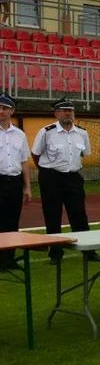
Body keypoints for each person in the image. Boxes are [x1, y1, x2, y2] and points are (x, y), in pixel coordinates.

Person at [32, 99, 100, 264]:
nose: (67, 113)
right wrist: (46, 171)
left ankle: (89, 251)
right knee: (52, 215)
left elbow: (83, 154)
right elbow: (36, 155)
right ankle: (55, 253)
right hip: (51, 177)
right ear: (56, 114)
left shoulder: (82, 133)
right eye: (63, 110)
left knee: (79, 215)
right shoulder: (46, 132)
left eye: (70, 110)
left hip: (73, 177)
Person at [0, 94, 32, 270]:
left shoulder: (19, 134)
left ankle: (9, 258)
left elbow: (23, 161)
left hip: (14, 182)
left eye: (5, 108)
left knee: (12, 220)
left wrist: (27, 186)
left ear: (12, 111)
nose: (1, 111)